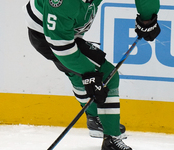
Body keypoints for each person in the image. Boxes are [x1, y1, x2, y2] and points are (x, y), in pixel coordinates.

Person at [23, 0, 160, 149]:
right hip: (46, 34)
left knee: (78, 74)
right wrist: (89, 74)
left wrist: (147, 17)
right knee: (107, 75)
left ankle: (94, 117)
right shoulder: (61, 3)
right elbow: (62, 47)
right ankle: (111, 139)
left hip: (68, 28)